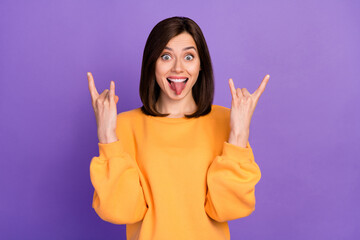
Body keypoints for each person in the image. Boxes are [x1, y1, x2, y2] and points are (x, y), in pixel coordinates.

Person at [87, 16, 269, 240]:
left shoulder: (226, 121)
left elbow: (228, 209)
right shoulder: (123, 125)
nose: (178, 68)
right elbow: (121, 211)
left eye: (189, 56)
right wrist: (107, 136)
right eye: (166, 56)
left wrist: (239, 135)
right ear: (152, 63)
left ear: (201, 65)